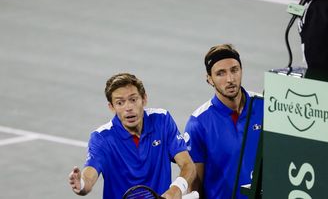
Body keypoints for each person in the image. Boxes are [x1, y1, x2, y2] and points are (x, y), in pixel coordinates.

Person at [68, 73, 196, 199]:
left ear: (144, 99)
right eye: (120, 103)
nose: (128, 107)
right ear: (111, 107)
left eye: (133, 100)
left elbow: (187, 164)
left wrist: (177, 188)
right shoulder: (101, 138)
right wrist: (82, 184)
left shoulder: (162, 120)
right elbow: (90, 174)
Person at [184, 44, 264, 199]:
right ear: (209, 79)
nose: (230, 79)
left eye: (234, 70)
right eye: (221, 73)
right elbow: (195, 189)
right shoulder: (198, 123)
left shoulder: (265, 106)